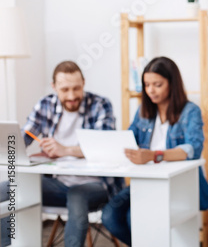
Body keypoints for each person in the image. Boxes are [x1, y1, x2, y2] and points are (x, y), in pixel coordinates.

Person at [1, 60, 122, 247]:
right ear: (54, 87)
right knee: (8, 188)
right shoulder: (46, 105)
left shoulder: (100, 105)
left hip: (97, 185)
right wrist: (10, 147)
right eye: (65, 90)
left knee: (77, 195)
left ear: (84, 83)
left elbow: (104, 150)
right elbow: (23, 139)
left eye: (76, 88)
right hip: (58, 183)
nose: (72, 96)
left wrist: (65, 150)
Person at [101, 56, 208, 246]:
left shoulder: (190, 111)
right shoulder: (143, 112)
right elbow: (128, 141)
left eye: (157, 84)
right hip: (144, 183)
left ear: (172, 83)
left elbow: (193, 149)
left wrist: (154, 156)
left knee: (133, 217)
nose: (151, 90)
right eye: (146, 85)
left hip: (177, 186)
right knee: (110, 215)